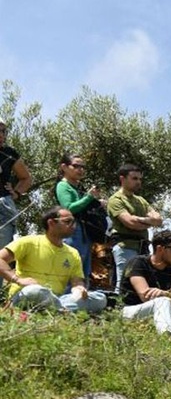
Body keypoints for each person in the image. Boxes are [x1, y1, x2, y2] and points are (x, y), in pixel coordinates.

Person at [0, 207, 107, 314]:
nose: (73, 225)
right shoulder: (28, 242)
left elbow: (77, 281)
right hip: (28, 294)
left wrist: (79, 289)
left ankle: (56, 309)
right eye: (67, 221)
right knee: (35, 291)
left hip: (57, 298)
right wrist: (17, 280)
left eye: (74, 221)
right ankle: (61, 310)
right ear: (51, 223)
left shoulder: (73, 253)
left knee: (100, 298)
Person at [107, 164, 163, 289]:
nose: (138, 182)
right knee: (123, 283)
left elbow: (158, 220)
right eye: (134, 178)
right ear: (122, 179)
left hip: (143, 248)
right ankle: (120, 307)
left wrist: (141, 221)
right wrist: (149, 221)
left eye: (140, 179)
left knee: (143, 282)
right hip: (125, 246)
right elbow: (131, 223)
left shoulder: (141, 200)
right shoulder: (116, 200)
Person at [54, 154, 106, 283]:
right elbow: (69, 208)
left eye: (83, 167)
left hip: (84, 231)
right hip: (71, 231)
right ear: (64, 167)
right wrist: (89, 197)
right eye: (76, 166)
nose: (81, 169)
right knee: (71, 265)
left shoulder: (78, 188)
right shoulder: (63, 186)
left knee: (84, 268)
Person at [0, 120, 33, 250]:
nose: (2, 135)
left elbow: (26, 178)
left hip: (2, 207)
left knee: (2, 254)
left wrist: (16, 193)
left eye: (4, 131)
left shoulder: (9, 153)